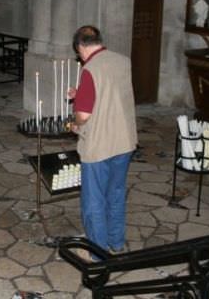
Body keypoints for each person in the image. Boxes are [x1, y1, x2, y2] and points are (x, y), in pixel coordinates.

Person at [68, 25, 137, 257]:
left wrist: (75, 120)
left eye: (78, 53)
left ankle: (97, 252)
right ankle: (116, 242)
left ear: (81, 47)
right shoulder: (122, 61)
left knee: (94, 200)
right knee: (115, 194)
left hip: (99, 145)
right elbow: (111, 94)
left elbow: (84, 116)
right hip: (124, 140)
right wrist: (81, 94)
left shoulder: (90, 69)